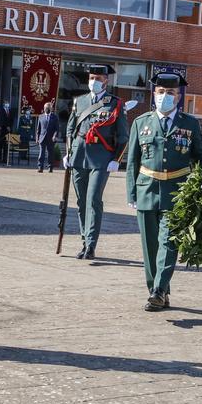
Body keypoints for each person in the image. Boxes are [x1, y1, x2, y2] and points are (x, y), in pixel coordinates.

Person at [126, 72, 202, 311]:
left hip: (177, 193)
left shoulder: (189, 123)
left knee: (168, 242)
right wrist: (131, 193)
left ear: (178, 97)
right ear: (154, 94)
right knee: (150, 246)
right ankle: (156, 290)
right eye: (161, 92)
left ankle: (159, 289)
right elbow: (132, 161)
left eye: (170, 93)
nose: (165, 96)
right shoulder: (140, 122)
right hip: (146, 190)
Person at [65, 64, 129, 259]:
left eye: (99, 79)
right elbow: (71, 129)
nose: (94, 82)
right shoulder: (80, 101)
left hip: (102, 159)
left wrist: (117, 160)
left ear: (106, 82)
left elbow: (123, 136)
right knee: (81, 201)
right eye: (92, 78)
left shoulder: (115, 103)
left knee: (93, 199)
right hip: (78, 156)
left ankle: (91, 244)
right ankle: (84, 240)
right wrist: (68, 153)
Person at [35, 102, 59, 173]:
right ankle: (40, 167)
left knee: (50, 154)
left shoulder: (55, 117)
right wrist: (37, 138)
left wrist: (55, 136)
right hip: (42, 138)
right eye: (45, 108)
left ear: (51, 109)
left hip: (51, 138)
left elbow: (57, 129)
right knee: (41, 153)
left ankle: (50, 167)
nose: (46, 109)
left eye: (48, 108)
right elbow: (38, 129)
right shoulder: (40, 116)